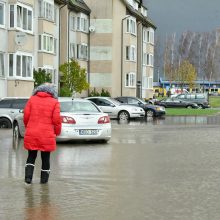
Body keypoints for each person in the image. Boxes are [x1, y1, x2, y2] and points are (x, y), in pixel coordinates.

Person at [23, 83, 61, 184]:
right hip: (46, 135)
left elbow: (26, 116)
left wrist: (28, 127)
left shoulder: (32, 99)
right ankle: (44, 184)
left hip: (32, 133)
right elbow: (56, 120)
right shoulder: (54, 102)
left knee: (31, 156)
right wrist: (57, 132)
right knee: (45, 158)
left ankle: (28, 180)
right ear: (52, 92)